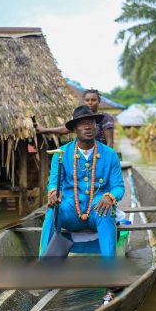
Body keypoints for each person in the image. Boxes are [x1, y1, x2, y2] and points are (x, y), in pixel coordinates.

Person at [39, 105, 124, 259]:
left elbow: (118, 187)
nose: (88, 126)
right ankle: (44, 263)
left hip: (96, 208)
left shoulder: (110, 155)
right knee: (53, 211)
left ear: (96, 127)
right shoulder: (61, 154)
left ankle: (110, 270)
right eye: (82, 123)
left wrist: (109, 197)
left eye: (91, 122)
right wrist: (53, 193)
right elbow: (53, 183)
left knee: (106, 211)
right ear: (74, 129)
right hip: (70, 209)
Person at [35, 89, 115, 148]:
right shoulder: (80, 118)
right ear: (84, 101)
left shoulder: (105, 118)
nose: (90, 102)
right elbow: (64, 129)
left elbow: (110, 142)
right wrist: (44, 130)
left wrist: (107, 158)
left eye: (93, 100)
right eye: (87, 100)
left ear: (99, 101)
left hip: (101, 152)